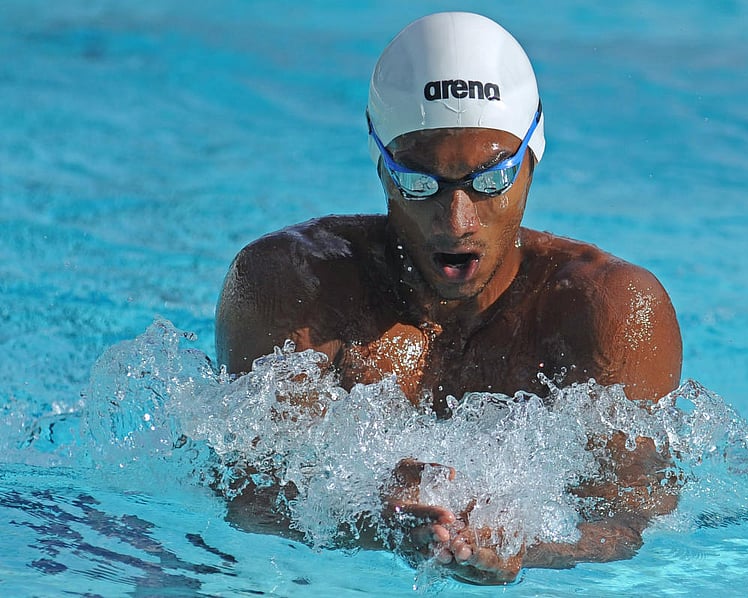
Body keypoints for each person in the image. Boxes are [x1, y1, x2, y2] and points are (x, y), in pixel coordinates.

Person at [215, 12, 682, 585]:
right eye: (419, 182)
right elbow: (249, 497)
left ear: (532, 157)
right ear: (382, 167)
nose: (456, 221)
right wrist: (372, 517)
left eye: (490, 181)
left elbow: (627, 519)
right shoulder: (295, 288)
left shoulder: (610, 311)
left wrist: (521, 547)